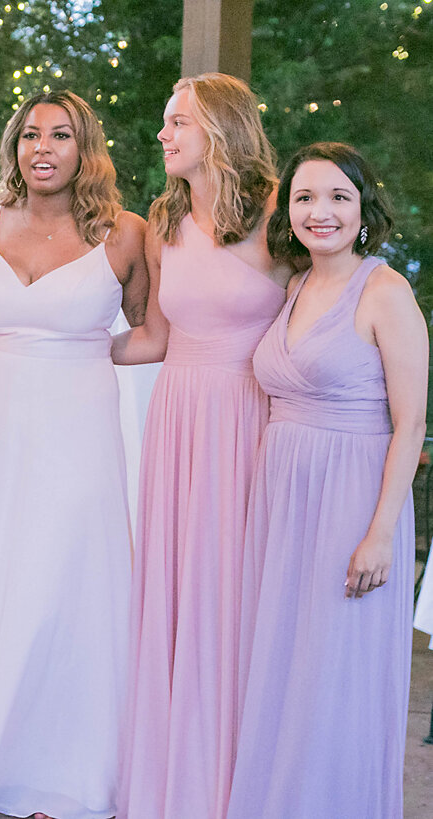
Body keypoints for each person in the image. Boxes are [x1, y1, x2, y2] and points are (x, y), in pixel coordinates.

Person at [0, 91, 147, 819]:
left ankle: (65, 776)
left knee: (64, 584)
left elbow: (154, 331)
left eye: (60, 135)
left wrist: (89, 350)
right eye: (31, 134)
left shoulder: (125, 233)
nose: (43, 147)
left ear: (85, 148)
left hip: (78, 423)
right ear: (14, 146)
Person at [226, 143, 424, 818]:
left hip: (352, 498)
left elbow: (411, 423)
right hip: (283, 497)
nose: (322, 211)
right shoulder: (294, 285)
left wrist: (381, 534)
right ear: (289, 209)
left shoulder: (386, 290)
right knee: (284, 666)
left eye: (340, 196)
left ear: (364, 209)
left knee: (333, 674)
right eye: (306, 196)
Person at [112, 73, 290, 818]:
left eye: (176, 120)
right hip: (179, 419)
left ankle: (239, 774)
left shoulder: (283, 213)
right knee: (179, 590)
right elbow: (153, 335)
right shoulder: (165, 219)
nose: (162, 134)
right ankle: (174, 770)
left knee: (239, 589)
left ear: (218, 127)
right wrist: (48, 350)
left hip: (251, 417)